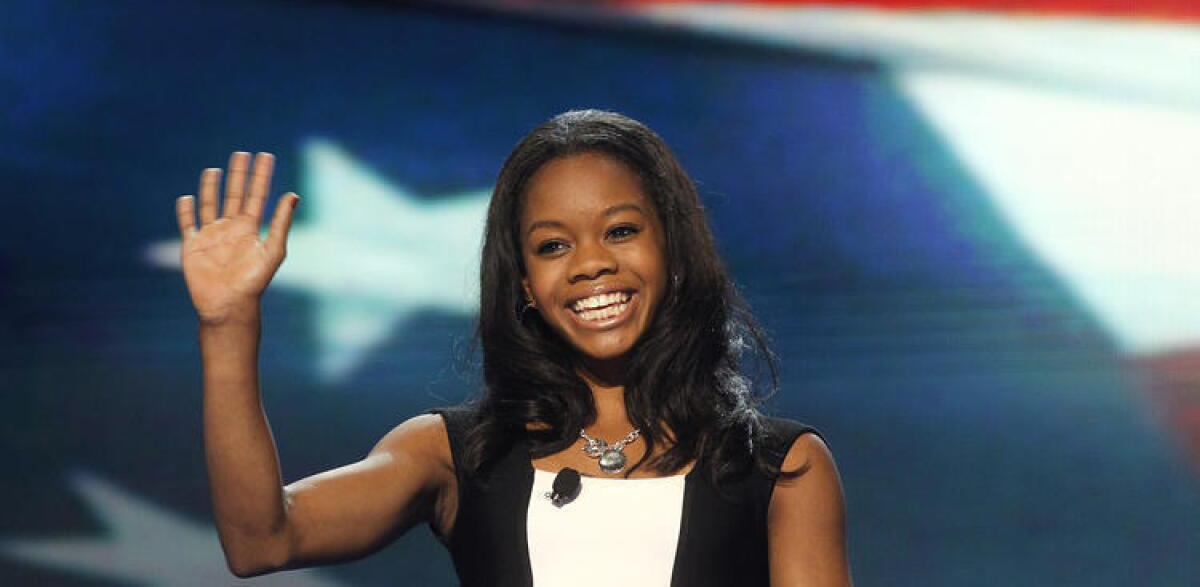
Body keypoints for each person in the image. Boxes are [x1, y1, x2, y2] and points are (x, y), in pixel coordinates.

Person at [176, 110, 852, 586]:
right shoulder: (457, 455)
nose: (590, 264)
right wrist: (228, 325)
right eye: (553, 245)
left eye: (619, 231)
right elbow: (262, 538)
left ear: (673, 251)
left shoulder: (780, 469)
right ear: (525, 284)